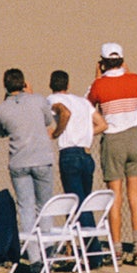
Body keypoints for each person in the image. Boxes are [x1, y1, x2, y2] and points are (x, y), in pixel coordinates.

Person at [86, 43, 137, 258]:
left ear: (102, 62)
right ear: (122, 60)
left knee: (115, 196)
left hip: (113, 139)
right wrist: (127, 73)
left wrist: (98, 77)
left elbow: (89, 105)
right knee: (135, 195)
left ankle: (117, 247)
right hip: (134, 136)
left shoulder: (99, 85)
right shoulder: (135, 79)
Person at [0, 68, 57, 263]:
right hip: (42, 159)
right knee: (44, 206)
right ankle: (48, 252)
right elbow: (47, 120)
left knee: (26, 207)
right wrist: (31, 94)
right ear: (24, 83)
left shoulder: (1, 109)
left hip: (19, 161)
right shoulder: (38, 100)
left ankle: (34, 257)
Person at [47, 70, 103, 213]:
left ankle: (90, 234)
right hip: (86, 154)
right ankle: (82, 233)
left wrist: (55, 133)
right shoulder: (82, 102)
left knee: (75, 203)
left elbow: (65, 112)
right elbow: (102, 124)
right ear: (68, 84)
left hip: (69, 154)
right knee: (84, 201)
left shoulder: (52, 99)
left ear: (50, 84)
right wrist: (86, 133)